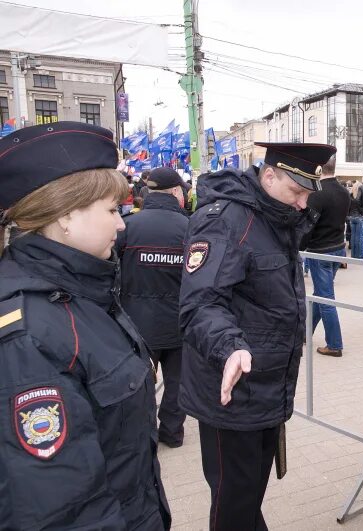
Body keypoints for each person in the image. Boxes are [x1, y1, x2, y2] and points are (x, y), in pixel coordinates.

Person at [0, 122, 171, 529]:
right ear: (65, 216)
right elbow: (59, 511)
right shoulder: (29, 336)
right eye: (112, 210)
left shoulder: (85, 291)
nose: (122, 224)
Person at [180, 142, 336, 530]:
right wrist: (229, 348)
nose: (303, 203)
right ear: (268, 176)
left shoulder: (275, 216)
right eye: (296, 192)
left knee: (247, 496)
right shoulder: (225, 220)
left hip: (265, 386)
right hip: (230, 392)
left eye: (307, 194)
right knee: (233, 501)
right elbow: (200, 303)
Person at [116, 166, 190, 448]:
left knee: (140, 383)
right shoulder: (191, 228)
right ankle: (172, 432)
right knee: (178, 382)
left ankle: (142, 435)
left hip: (136, 323)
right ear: (174, 192)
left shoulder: (127, 226)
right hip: (180, 322)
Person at [302, 155, 349, 357]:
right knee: (322, 295)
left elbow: (307, 227)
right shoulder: (344, 192)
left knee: (326, 298)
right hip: (338, 249)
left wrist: (299, 246)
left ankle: (335, 344)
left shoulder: (317, 193)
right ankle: (304, 333)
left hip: (320, 251)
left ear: (318, 169)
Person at [347, 180, 362, 256]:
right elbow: (361, 207)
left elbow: (348, 207)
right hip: (359, 217)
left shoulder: (350, 196)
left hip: (351, 217)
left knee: (353, 236)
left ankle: (353, 254)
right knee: (358, 237)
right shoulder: (360, 196)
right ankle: (357, 255)